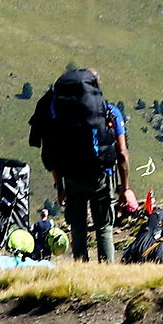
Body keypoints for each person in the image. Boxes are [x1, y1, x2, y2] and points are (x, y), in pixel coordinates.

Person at [30, 67, 131, 263]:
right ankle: (106, 271)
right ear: (96, 85)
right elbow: (122, 153)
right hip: (101, 176)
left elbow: (53, 153)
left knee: (78, 226)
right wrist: (125, 188)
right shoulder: (111, 112)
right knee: (104, 227)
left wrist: (59, 186)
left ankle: (80, 268)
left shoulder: (60, 116)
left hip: (72, 177)